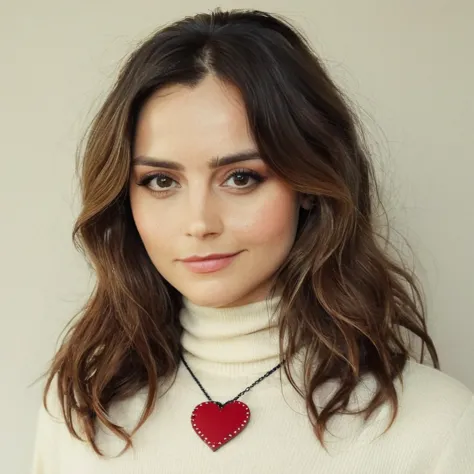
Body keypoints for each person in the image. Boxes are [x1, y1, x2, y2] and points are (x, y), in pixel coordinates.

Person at [30, 8, 473, 473]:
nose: (199, 222)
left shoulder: (434, 425)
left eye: (240, 177)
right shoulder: (79, 411)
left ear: (308, 185)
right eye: (161, 181)